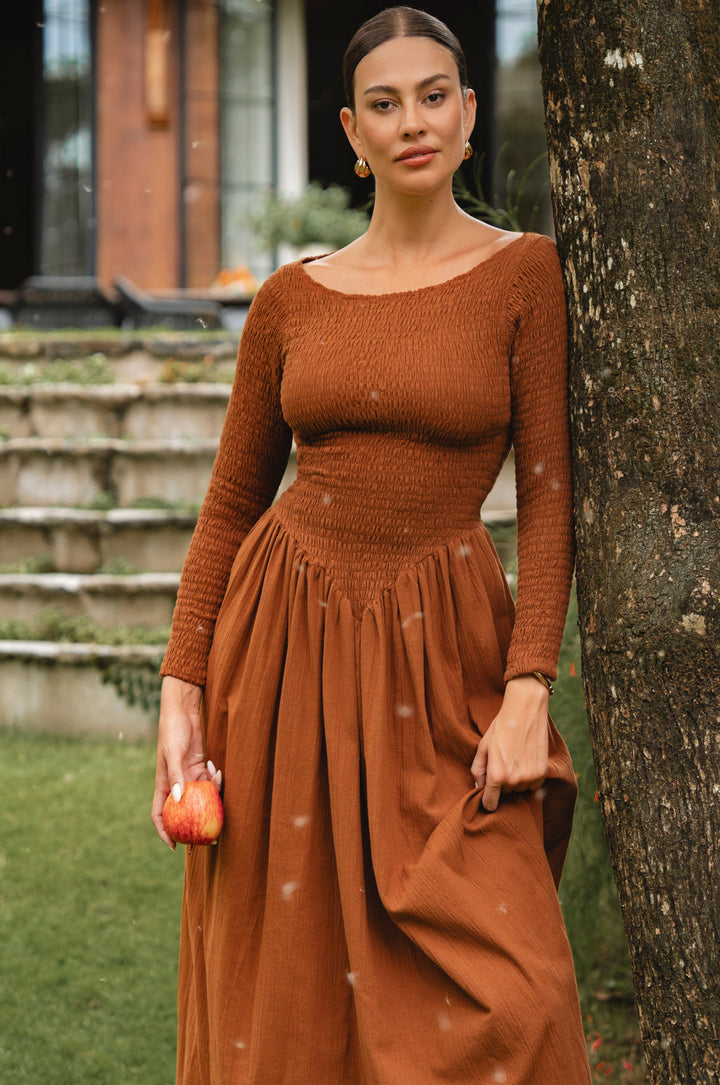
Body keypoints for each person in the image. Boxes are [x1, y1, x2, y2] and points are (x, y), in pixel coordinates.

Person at [152, 7, 592, 1082]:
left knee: (518, 991)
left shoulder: (524, 275)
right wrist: (181, 681)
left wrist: (531, 681)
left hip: (444, 653)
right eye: (385, 104)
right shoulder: (290, 299)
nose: (412, 122)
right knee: (286, 992)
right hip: (283, 649)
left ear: (470, 112)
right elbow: (230, 503)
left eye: (433, 95)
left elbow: (547, 495)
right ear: (353, 131)